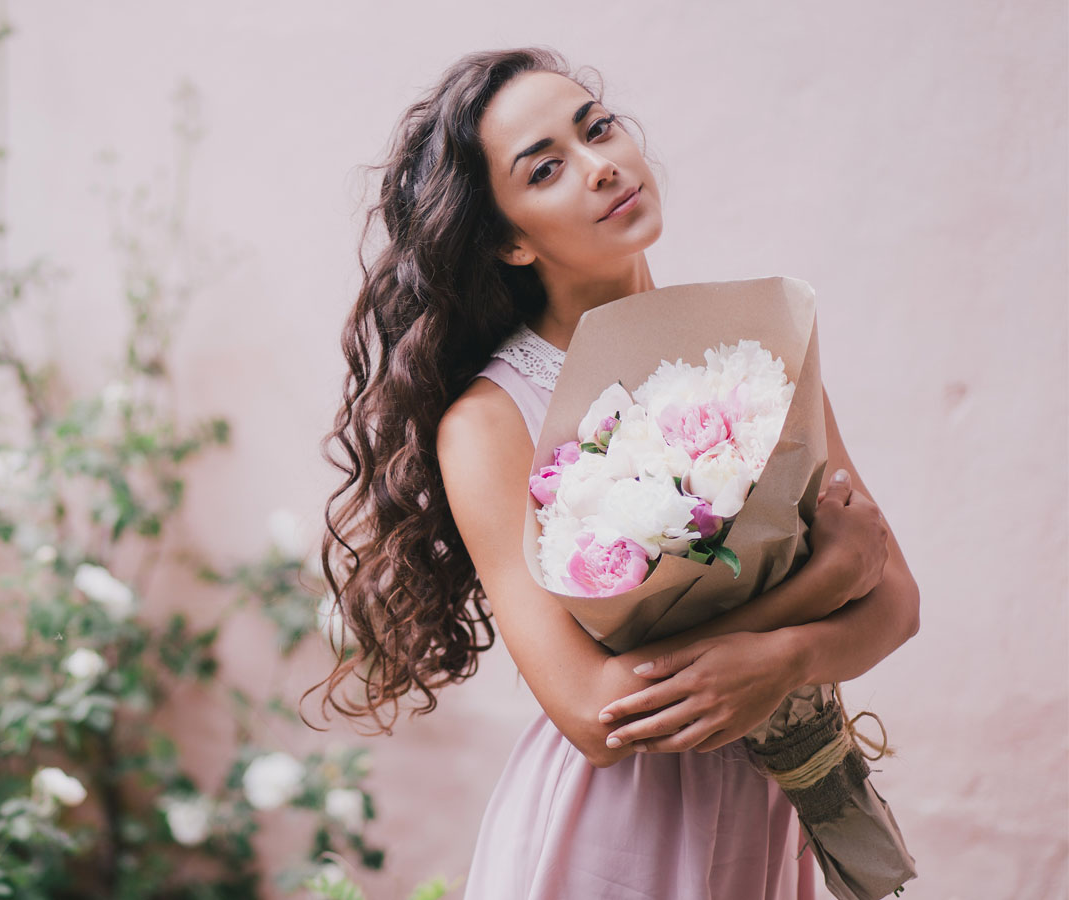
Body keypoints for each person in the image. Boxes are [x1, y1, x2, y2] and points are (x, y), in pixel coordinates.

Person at [302, 47, 921, 899]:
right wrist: (818, 593)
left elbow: (896, 604)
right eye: (548, 168)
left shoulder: (755, 350)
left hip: (761, 816)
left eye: (598, 128)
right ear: (510, 240)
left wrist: (787, 661)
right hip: (613, 831)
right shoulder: (490, 420)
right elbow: (597, 713)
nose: (600, 168)